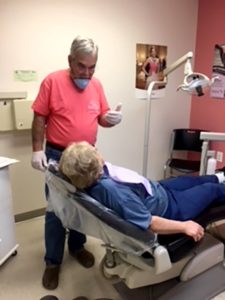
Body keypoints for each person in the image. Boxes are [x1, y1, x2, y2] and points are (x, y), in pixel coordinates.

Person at [31, 36, 123, 290]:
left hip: (87, 157)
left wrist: (110, 119)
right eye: (82, 66)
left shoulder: (96, 85)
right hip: (58, 156)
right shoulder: (52, 81)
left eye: (92, 67)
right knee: (56, 209)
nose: (87, 72)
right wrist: (37, 150)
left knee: (84, 206)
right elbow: (40, 118)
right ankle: (52, 262)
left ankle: (77, 247)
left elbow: (100, 117)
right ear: (70, 60)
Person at [59, 141, 225, 242]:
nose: (97, 150)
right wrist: (184, 226)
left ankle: (220, 176)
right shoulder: (115, 193)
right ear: (94, 167)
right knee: (211, 190)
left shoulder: (94, 174)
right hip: (171, 208)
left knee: (199, 179)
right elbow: (149, 222)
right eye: (94, 151)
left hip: (158, 190)